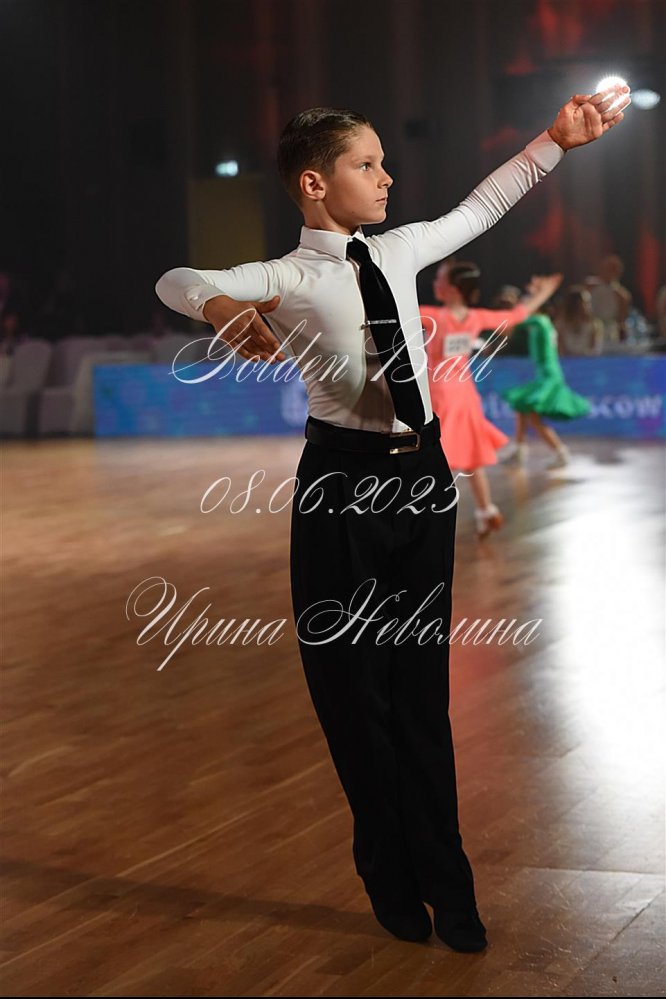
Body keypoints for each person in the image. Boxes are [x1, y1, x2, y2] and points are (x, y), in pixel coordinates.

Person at [154, 86, 629, 952]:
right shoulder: (289, 276)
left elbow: (484, 205)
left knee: (420, 691)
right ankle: (387, 868)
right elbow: (177, 280)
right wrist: (222, 307)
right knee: (352, 692)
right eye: (366, 165)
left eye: (382, 162)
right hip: (342, 485)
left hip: (425, 479)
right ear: (312, 183)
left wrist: (556, 142)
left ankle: (448, 879)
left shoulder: (402, 249)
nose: (387, 177)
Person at [420, 261, 562, 538]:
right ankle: (486, 511)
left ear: (453, 288)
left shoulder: (432, 316)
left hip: (439, 394)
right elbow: (517, 314)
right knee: (471, 456)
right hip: (465, 394)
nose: (435, 284)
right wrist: (542, 294)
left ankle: (430, 521)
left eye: (440, 279)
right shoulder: (475, 318)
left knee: (435, 459)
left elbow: (390, 311)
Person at [500, 307, 592, 468]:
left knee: (532, 415)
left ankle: (559, 453)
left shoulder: (540, 321)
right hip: (545, 375)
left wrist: (506, 321)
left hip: (549, 377)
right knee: (522, 408)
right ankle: (520, 450)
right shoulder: (541, 324)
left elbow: (518, 321)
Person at [584, 254, 632, 349]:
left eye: (613, 270)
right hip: (589, 327)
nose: (609, 272)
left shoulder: (622, 295)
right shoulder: (589, 286)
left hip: (610, 331)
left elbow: (622, 319)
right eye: (608, 268)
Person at [556, 285, 603, 356]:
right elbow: (560, 349)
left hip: (587, 360)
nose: (587, 306)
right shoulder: (560, 325)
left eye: (587, 303)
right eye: (584, 303)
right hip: (567, 360)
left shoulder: (594, 325)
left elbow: (595, 349)